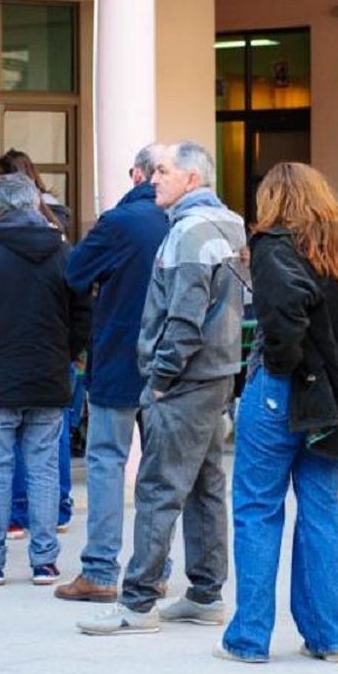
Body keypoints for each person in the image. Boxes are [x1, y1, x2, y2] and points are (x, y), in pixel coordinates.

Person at [78, 141, 247, 636]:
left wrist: (160, 378)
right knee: (205, 484)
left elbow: (185, 316)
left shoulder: (189, 232)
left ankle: (138, 602)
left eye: (166, 171)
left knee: (158, 487)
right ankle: (205, 592)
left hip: (186, 378)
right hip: (217, 372)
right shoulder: (229, 222)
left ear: (193, 179)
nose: (154, 178)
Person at [217, 163, 338, 663]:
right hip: (335, 391)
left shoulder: (273, 244)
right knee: (321, 508)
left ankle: (249, 638)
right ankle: (332, 636)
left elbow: (284, 314)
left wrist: (281, 364)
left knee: (257, 508)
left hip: (282, 388)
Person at [0, 173, 91, 586]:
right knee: (43, 470)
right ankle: (44, 561)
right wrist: (65, 352)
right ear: (34, 204)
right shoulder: (63, 251)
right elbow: (83, 313)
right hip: (47, 374)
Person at [53, 145, 170, 603]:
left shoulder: (120, 222)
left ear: (135, 174)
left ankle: (101, 569)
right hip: (173, 363)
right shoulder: (183, 222)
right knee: (161, 470)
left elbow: (76, 272)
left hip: (120, 356)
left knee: (105, 460)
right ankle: (155, 570)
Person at [0, 148, 77, 532]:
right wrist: (73, 348)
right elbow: (78, 299)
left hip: (8, 350)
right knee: (50, 440)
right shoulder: (59, 231)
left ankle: (18, 516)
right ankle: (57, 511)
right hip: (54, 351)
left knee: (10, 445)